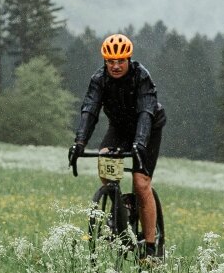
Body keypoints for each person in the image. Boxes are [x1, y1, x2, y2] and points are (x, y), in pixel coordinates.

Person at [70, 33, 166, 255]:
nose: (115, 66)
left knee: (141, 183)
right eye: (110, 61)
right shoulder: (99, 80)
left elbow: (145, 112)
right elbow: (90, 110)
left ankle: (151, 248)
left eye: (120, 61)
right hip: (120, 128)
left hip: (149, 126)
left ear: (128, 59)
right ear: (105, 61)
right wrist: (79, 142)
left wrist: (139, 144)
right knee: (105, 157)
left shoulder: (140, 76)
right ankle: (119, 204)